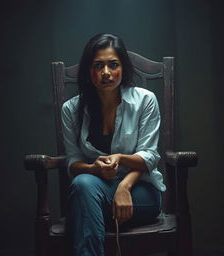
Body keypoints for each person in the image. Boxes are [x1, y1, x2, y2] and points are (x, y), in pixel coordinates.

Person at [61, 33, 166, 256]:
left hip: (140, 192)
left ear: (123, 67)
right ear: (89, 72)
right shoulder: (71, 109)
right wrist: (93, 169)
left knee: (82, 201)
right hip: (93, 190)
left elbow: (149, 156)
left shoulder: (145, 100)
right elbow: (73, 161)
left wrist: (123, 185)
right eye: (98, 65)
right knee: (83, 184)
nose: (106, 73)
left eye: (113, 65)